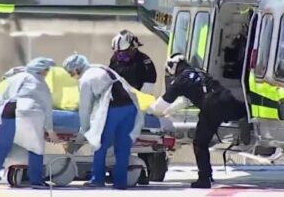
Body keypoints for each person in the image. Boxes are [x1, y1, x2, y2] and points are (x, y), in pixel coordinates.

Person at [149, 53, 246, 188]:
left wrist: (148, 111)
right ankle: (245, 120)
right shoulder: (199, 72)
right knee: (240, 112)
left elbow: (160, 105)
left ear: (172, 66)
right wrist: (168, 111)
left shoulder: (180, 81)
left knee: (199, 142)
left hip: (211, 106)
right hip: (228, 99)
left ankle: (204, 178)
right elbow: (185, 101)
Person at [63, 53, 144, 189]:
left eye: (71, 74)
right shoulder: (101, 68)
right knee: (123, 148)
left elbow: (85, 107)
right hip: (130, 108)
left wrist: (84, 129)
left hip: (112, 110)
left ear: (76, 69)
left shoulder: (86, 79)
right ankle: (120, 183)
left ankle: (97, 179)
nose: (73, 77)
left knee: (99, 144)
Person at [0, 57, 58, 189]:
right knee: (36, 148)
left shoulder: (18, 77)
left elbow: (1, 97)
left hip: (9, 111)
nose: (47, 72)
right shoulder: (41, 84)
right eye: (47, 70)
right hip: (30, 114)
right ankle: (36, 181)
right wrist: (50, 130)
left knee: (0, 148)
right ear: (41, 70)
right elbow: (47, 107)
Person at [109, 30, 158, 184]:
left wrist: (137, 103)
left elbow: (149, 86)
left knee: (141, 138)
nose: (120, 58)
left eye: (123, 55)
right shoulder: (115, 58)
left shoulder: (145, 62)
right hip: (118, 102)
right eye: (118, 54)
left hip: (138, 101)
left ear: (133, 48)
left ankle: (145, 172)